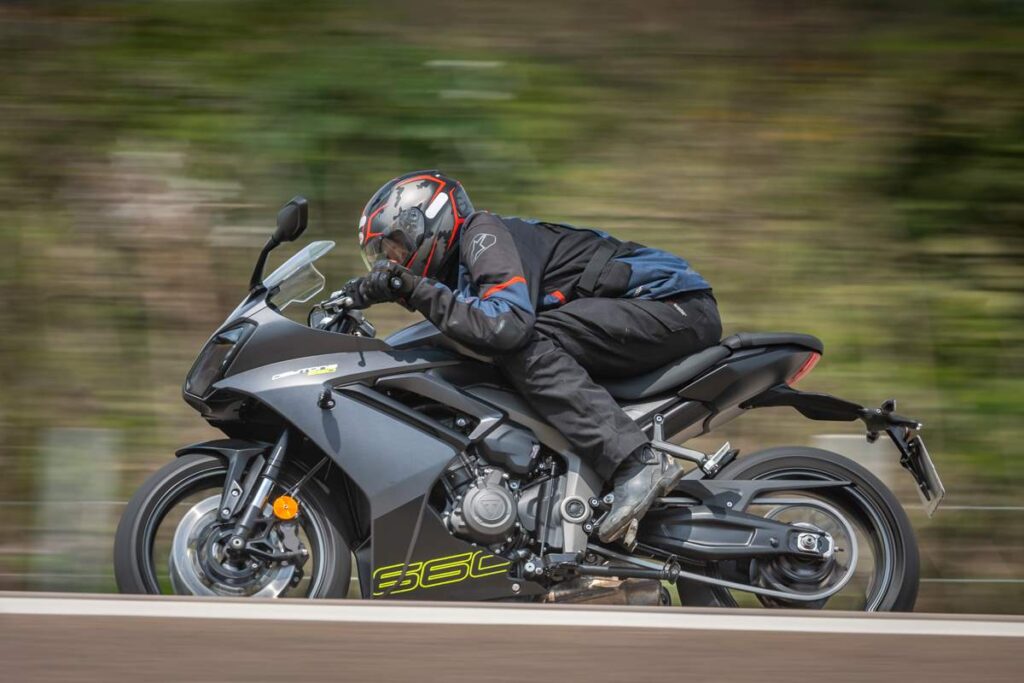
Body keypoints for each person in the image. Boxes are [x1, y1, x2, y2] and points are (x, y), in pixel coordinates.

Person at [348, 170, 722, 543]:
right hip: (638, 315)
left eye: (395, 248)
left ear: (430, 221)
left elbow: (506, 325)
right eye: (384, 257)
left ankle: (637, 463)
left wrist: (415, 289)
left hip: (669, 304)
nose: (393, 262)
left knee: (519, 342)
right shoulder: (457, 280)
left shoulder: (483, 235)